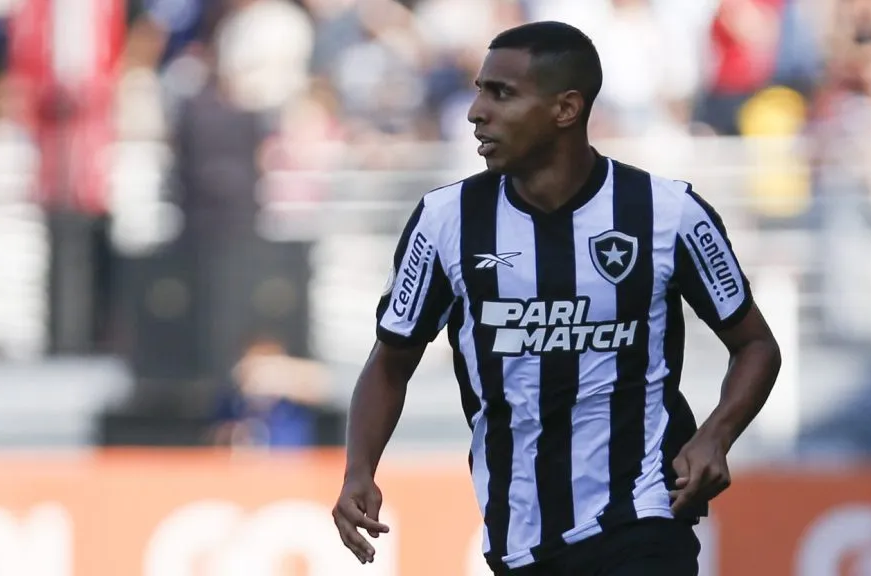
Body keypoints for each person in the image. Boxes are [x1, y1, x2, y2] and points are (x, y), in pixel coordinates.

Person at [332, 21, 782, 576]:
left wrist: (716, 435)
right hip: (519, 533)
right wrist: (359, 470)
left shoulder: (667, 214)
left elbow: (756, 344)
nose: (476, 111)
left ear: (566, 109)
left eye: (501, 93)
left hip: (644, 517)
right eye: (478, 89)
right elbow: (391, 359)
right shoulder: (445, 221)